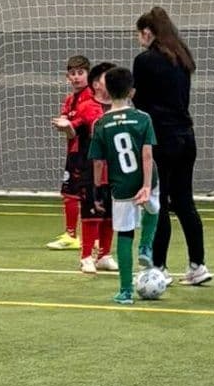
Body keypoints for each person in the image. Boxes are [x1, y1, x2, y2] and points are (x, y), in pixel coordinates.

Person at [132, 6, 210, 285]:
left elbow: (139, 102)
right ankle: (198, 264)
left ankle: (159, 265)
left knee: (160, 202)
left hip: (161, 138)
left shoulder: (144, 61)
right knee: (184, 201)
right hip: (186, 136)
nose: (139, 39)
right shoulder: (182, 57)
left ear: (148, 32)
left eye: (140, 34)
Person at [87, 67, 156, 304]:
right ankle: (146, 247)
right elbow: (147, 156)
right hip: (148, 180)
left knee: (125, 234)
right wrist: (146, 185)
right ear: (132, 92)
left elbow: (98, 162)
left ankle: (126, 291)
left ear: (106, 92)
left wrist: (97, 191)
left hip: (121, 187)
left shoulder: (101, 123)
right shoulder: (143, 118)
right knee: (154, 209)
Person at [47, 55, 102, 251]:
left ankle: (95, 238)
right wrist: (65, 124)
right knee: (69, 193)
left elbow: (77, 127)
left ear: (88, 75)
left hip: (89, 154)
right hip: (73, 152)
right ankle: (71, 234)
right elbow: (69, 129)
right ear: (67, 77)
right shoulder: (69, 100)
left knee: (90, 195)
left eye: (81, 73)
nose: (76, 77)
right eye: (72, 73)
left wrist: (68, 125)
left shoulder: (90, 99)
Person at [80, 62, 119, 275]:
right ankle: (86, 255)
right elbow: (93, 131)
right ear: (96, 84)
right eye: (107, 77)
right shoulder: (87, 107)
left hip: (114, 169)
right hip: (92, 168)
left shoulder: (120, 107)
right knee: (91, 213)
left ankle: (105, 254)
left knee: (110, 214)